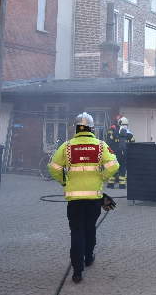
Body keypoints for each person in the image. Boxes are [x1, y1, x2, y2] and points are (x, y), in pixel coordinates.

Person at [48, 112, 119, 284]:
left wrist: (65, 181)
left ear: (76, 128)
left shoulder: (67, 146)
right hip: (94, 198)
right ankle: (88, 257)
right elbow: (114, 165)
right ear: (92, 128)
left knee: (77, 232)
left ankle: (77, 271)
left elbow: (53, 167)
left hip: (74, 200)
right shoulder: (100, 146)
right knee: (90, 228)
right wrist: (101, 177)